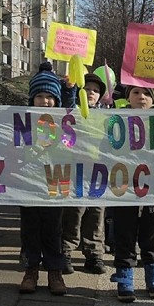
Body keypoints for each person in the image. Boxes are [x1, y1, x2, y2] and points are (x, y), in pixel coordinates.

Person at [112, 85, 154, 303]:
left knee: (151, 231)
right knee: (124, 230)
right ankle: (124, 273)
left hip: (152, 186)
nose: (141, 97)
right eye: (135, 92)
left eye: (146, 94)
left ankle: (153, 272)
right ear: (128, 98)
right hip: (123, 184)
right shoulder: (115, 119)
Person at [18, 62, 68, 296]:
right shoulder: (23, 121)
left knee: (53, 229)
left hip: (55, 182)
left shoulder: (62, 121)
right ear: (32, 99)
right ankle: (31, 270)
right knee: (30, 229)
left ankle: (54, 271)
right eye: (40, 96)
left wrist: (70, 92)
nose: (45, 101)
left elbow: (75, 118)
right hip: (28, 182)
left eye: (50, 96)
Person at [61, 70, 107, 274]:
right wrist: (69, 89)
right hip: (75, 170)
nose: (91, 93)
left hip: (98, 172)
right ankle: (65, 252)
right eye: (87, 88)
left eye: (96, 91)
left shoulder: (107, 115)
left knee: (96, 215)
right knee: (74, 213)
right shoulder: (72, 111)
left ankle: (94, 255)